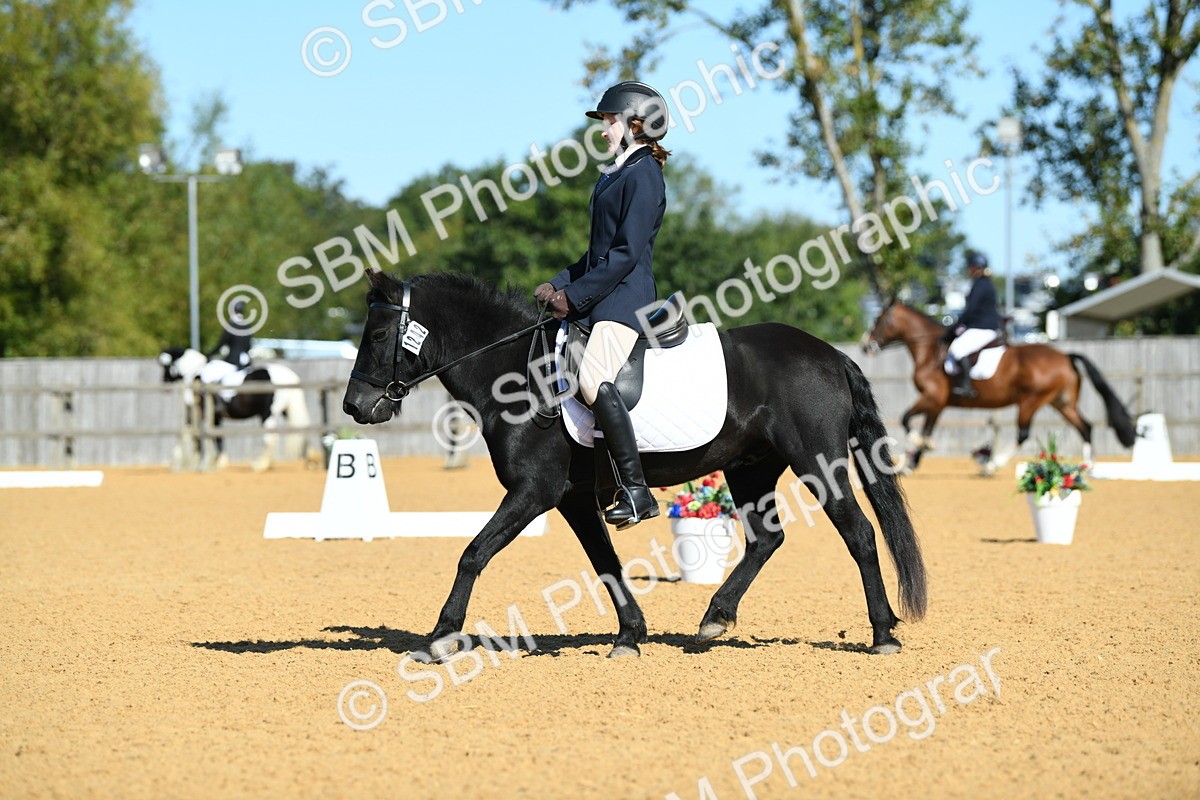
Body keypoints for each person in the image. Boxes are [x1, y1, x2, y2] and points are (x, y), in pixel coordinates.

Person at [534, 80, 671, 529]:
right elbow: (595, 256)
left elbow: (627, 253)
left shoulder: (644, 172)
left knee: (592, 379)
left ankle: (636, 491)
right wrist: (556, 283)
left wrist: (572, 297)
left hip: (624, 301)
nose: (604, 129)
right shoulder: (616, 173)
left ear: (634, 124)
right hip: (601, 297)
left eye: (610, 120)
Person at [945, 252, 1001, 398]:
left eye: (970, 267)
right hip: (983, 327)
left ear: (975, 268)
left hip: (982, 328)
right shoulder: (984, 283)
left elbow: (971, 310)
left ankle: (966, 386)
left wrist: (956, 326)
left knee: (957, 350)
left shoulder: (980, 285)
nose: (969, 270)